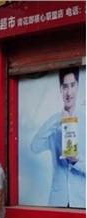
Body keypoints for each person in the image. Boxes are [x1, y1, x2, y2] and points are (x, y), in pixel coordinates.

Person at [30, 67, 86, 208]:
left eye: (72, 85)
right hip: (57, 200)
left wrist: (78, 160)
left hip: (81, 199)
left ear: (78, 86)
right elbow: (34, 146)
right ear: (60, 89)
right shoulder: (53, 123)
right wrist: (57, 121)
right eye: (65, 86)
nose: (69, 92)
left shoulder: (85, 122)